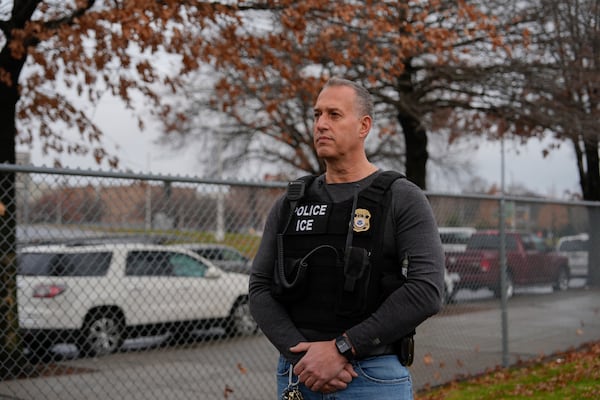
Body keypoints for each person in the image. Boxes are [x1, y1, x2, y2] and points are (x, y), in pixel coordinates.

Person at [249, 77, 444, 399]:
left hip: (370, 376)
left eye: (334, 115)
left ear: (363, 126)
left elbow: (427, 289)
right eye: (316, 115)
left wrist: (342, 349)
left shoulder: (401, 197)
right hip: (299, 376)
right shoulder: (291, 202)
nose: (321, 124)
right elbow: (259, 287)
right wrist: (305, 360)